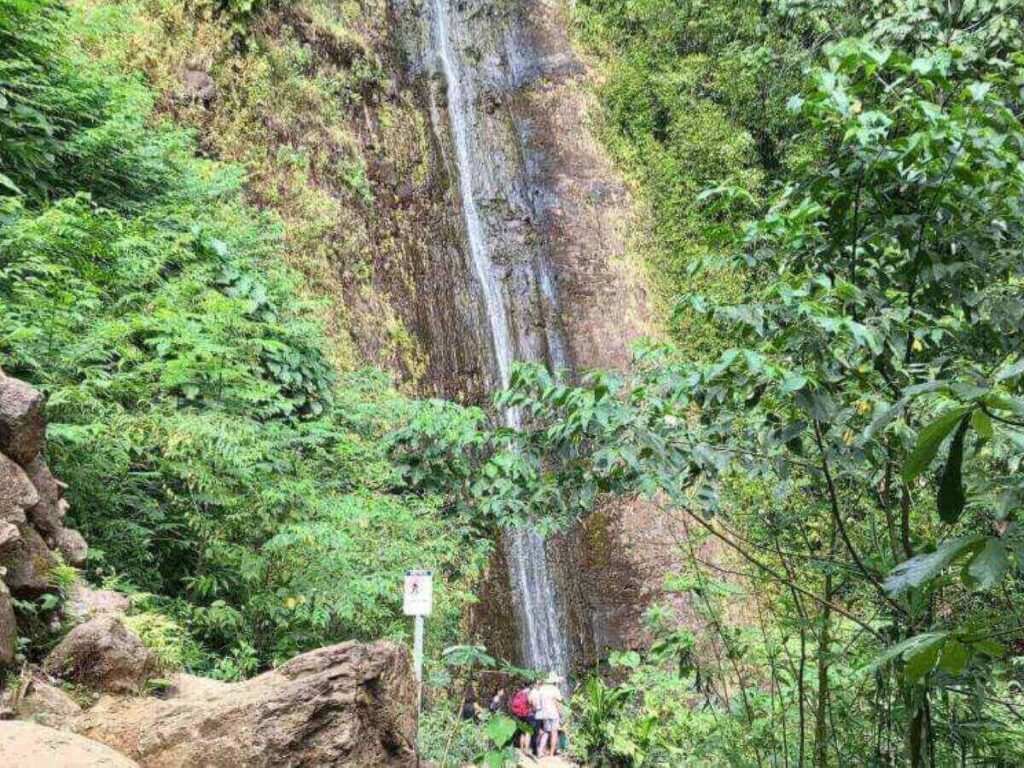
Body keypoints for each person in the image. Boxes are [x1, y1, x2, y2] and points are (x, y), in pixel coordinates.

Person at [535, 672, 564, 758]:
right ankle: (551, 753)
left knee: (546, 732)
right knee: (554, 733)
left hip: (544, 714)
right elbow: (558, 703)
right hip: (554, 713)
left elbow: (538, 703)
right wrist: (561, 713)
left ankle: (540, 751)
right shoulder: (555, 689)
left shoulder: (541, 689)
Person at [509, 683, 535, 753]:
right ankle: (526, 749)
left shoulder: (519, 693)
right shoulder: (529, 693)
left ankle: (521, 748)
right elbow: (530, 702)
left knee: (522, 732)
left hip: (519, 715)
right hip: (528, 714)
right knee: (528, 732)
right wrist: (533, 707)